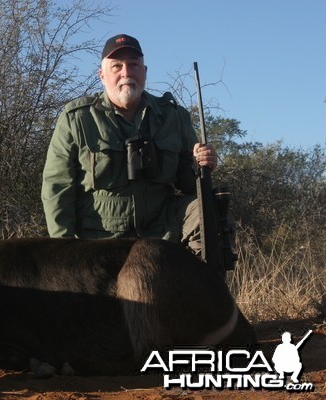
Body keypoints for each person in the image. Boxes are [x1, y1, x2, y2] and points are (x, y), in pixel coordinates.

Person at [41, 34, 218, 254]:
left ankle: (203, 285)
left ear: (144, 72)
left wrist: (201, 165)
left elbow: (191, 186)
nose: (126, 73)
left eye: (134, 65)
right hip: (99, 240)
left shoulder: (174, 116)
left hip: (162, 230)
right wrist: (64, 251)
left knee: (210, 211)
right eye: (117, 66)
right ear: (102, 75)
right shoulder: (75, 118)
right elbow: (57, 187)